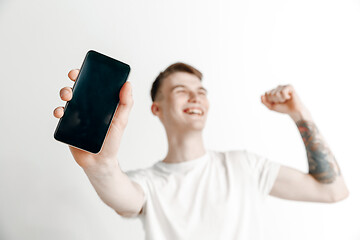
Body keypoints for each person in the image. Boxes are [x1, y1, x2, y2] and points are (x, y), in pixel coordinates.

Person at [53, 62, 349, 240]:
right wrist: (100, 164)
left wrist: (300, 113)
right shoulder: (149, 184)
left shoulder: (244, 165)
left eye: (201, 91)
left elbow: (333, 191)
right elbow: (121, 195)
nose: (195, 95)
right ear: (157, 109)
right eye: (181, 90)